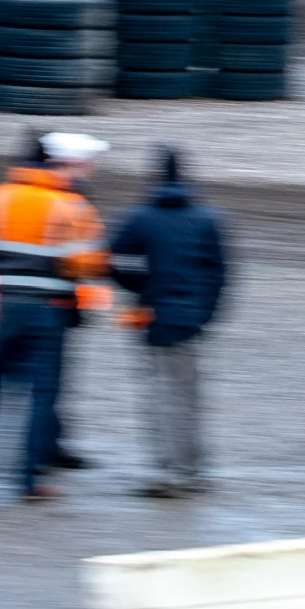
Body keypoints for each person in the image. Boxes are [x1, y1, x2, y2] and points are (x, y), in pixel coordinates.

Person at [0, 132, 109, 502]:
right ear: (51, 165)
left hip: (1, 306)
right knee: (40, 395)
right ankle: (30, 480)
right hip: (49, 310)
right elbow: (85, 263)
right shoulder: (70, 206)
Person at [109, 146, 230, 499]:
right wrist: (207, 314)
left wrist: (138, 287)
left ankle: (167, 472)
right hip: (191, 320)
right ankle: (193, 470)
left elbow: (110, 259)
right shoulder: (208, 219)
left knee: (161, 396)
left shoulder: (139, 218)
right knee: (189, 396)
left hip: (153, 316)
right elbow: (221, 274)